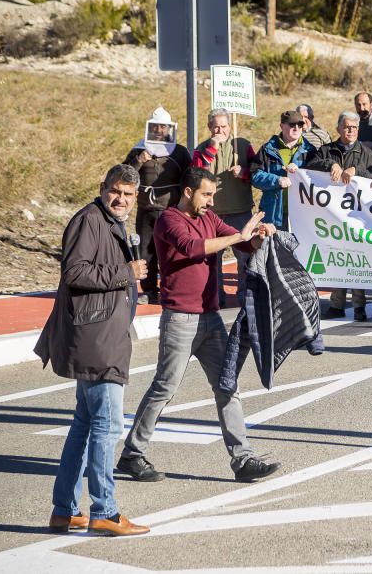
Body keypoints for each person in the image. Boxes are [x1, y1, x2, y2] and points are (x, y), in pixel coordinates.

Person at [118, 167, 281, 484]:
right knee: (164, 387)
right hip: (180, 318)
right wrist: (237, 236)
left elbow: (242, 246)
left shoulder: (210, 217)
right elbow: (192, 248)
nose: (210, 201)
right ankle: (132, 454)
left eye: (213, 195)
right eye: (206, 194)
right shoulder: (169, 220)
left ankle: (243, 459)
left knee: (227, 386)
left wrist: (258, 237)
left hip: (211, 317)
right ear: (189, 192)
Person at [35, 164, 150, 537]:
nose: (120, 199)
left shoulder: (110, 222)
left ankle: (65, 510)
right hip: (96, 339)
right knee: (107, 426)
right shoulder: (89, 220)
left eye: (128, 194)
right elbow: (75, 272)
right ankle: (105, 511)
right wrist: (125, 272)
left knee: (85, 424)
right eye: (115, 191)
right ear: (103, 188)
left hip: (100, 334)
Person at [307, 112, 372, 322]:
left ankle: (359, 306)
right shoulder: (326, 150)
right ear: (338, 129)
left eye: (354, 128)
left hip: (357, 215)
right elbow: (310, 166)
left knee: (357, 259)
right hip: (332, 215)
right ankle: (337, 304)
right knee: (337, 257)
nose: (350, 131)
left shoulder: (367, 152)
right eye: (346, 127)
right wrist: (331, 165)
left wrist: (357, 171)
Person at [124, 106, 191, 305]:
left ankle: (174, 289)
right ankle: (149, 291)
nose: (160, 130)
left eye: (163, 126)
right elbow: (125, 175)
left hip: (171, 210)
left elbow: (188, 177)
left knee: (172, 251)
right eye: (156, 126)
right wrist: (139, 160)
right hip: (146, 209)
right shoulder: (139, 149)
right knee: (146, 252)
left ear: (169, 128)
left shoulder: (179, 151)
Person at [192, 108, 257, 307]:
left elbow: (257, 173)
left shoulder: (243, 145)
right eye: (216, 127)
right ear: (209, 127)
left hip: (240, 211)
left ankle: (244, 297)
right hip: (211, 214)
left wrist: (244, 172)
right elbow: (196, 174)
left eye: (224, 126)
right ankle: (216, 297)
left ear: (230, 126)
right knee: (212, 260)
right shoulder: (201, 148)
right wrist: (212, 148)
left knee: (245, 257)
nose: (220, 130)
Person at [251, 110, 317, 231]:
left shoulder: (311, 151)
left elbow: (318, 179)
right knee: (274, 249)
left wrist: (301, 172)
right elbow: (255, 176)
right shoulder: (267, 149)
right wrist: (277, 180)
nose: (296, 128)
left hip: (301, 215)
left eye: (300, 125)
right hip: (273, 214)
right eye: (292, 124)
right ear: (282, 126)